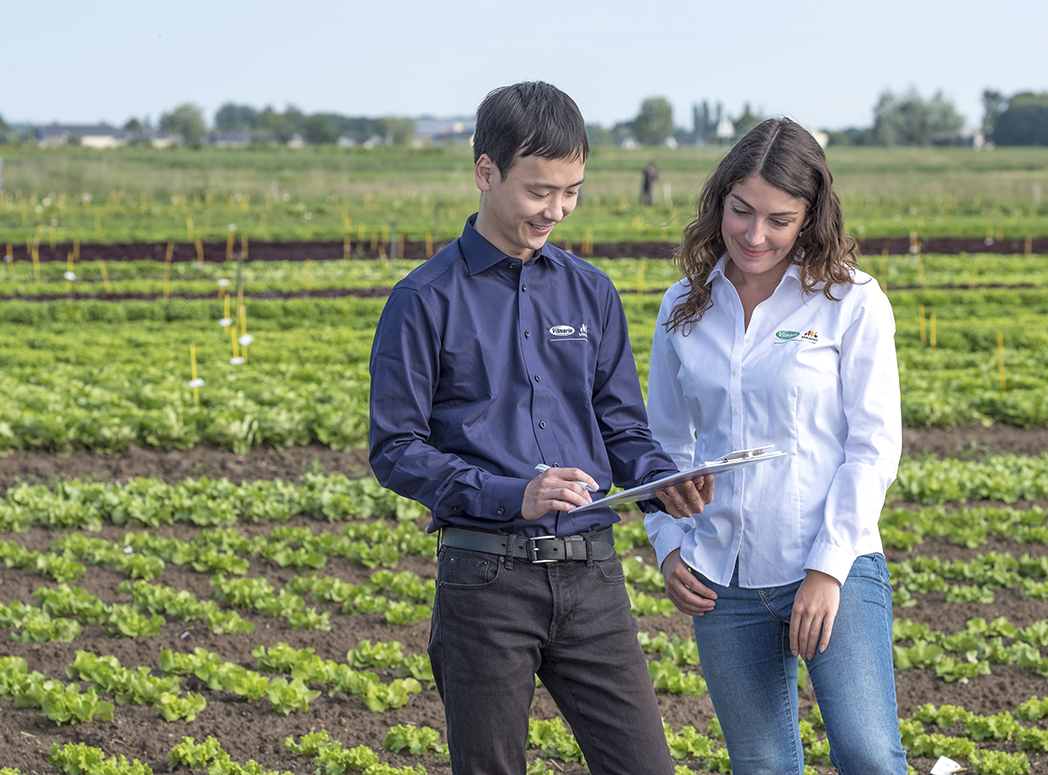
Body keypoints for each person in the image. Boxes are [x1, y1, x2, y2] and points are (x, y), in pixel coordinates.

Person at [369, 81, 712, 775]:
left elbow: (621, 426)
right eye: (539, 191)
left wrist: (659, 482)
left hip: (593, 578)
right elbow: (395, 449)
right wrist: (511, 494)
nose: (556, 210)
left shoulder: (590, 291)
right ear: (485, 172)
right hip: (485, 579)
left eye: (572, 191)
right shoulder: (423, 300)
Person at [645, 118, 907, 774]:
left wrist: (826, 570)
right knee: (761, 765)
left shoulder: (852, 301)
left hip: (831, 566)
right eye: (741, 211)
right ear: (719, 203)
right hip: (722, 580)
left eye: (779, 219)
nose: (755, 235)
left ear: (810, 218)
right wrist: (669, 546)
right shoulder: (684, 305)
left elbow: (873, 447)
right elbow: (660, 443)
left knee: (869, 755)